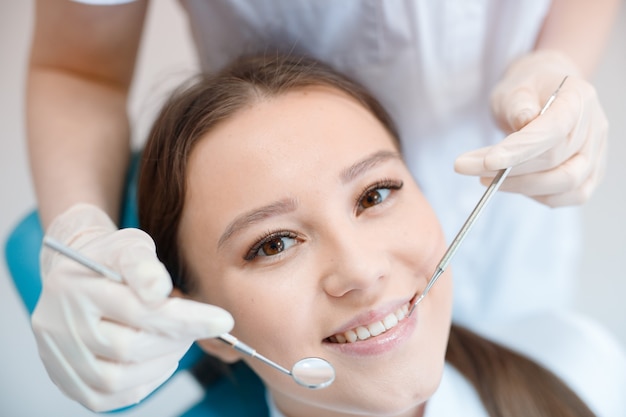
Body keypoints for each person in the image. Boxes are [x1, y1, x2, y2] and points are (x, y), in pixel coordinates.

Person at [28, 0, 620, 411]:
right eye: (274, 244)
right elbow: (79, 65)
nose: (362, 271)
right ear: (199, 323)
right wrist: (74, 243)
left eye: (376, 194)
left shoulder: (586, 368)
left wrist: (560, 59)